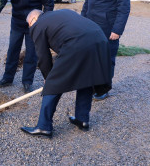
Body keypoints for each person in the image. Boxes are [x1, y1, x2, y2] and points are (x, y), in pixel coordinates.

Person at [20, 9, 112, 137]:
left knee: (54, 84)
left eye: (29, 24)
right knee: (87, 77)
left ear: (33, 20)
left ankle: (43, 126)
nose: (30, 28)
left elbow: (42, 56)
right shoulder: (60, 13)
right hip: (99, 39)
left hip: (77, 44)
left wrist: (48, 77)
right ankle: (82, 119)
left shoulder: (38, 25)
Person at [81, 0, 130, 101]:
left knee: (106, 60)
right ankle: (92, 85)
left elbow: (124, 9)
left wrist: (117, 30)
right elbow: (87, 3)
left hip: (108, 29)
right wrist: (81, 22)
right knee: (91, 57)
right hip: (91, 27)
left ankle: (103, 89)